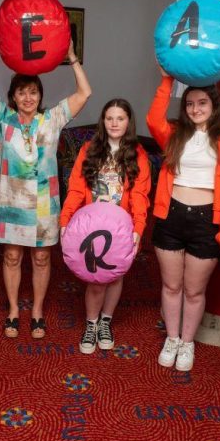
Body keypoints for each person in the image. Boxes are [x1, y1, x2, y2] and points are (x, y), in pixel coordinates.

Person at [0, 32, 91, 339]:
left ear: (39, 96)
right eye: (22, 92)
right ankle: (13, 310)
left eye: (33, 92)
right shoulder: (3, 117)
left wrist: (72, 58)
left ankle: (37, 311)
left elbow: (85, 92)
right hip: (11, 202)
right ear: (13, 97)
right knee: (12, 257)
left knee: (41, 257)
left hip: (43, 203)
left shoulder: (52, 119)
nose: (28, 98)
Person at [147, 48, 220, 372]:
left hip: (207, 219)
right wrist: (166, 79)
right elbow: (153, 119)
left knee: (194, 291)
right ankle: (172, 338)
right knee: (171, 286)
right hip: (171, 214)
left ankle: (187, 342)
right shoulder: (174, 135)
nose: (195, 109)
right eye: (190, 103)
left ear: (213, 105)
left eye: (202, 103)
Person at [59, 99, 151, 354]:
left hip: (122, 228)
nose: (114, 123)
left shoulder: (138, 154)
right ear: (103, 121)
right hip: (91, 227)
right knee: (96, 279)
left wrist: (138, 228)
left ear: (128, 122)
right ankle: (91, 324)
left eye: (120, 118)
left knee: (115, 275)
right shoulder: (89, 150)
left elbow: (140, 195)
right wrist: (65, 220)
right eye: (109, 118)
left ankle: (105, 322)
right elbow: (76, 189)